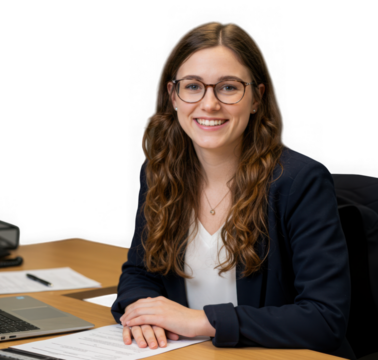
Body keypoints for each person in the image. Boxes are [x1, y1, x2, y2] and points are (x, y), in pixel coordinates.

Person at [111, 21, 356, 360]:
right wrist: (142, 315)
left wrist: (202, 321)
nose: (209, 104)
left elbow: (325, 319)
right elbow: (140, 273)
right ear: (173, 96)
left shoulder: (300, 181)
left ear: (257, 97)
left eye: (227, 88)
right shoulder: (160, 172)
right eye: (193, 86)